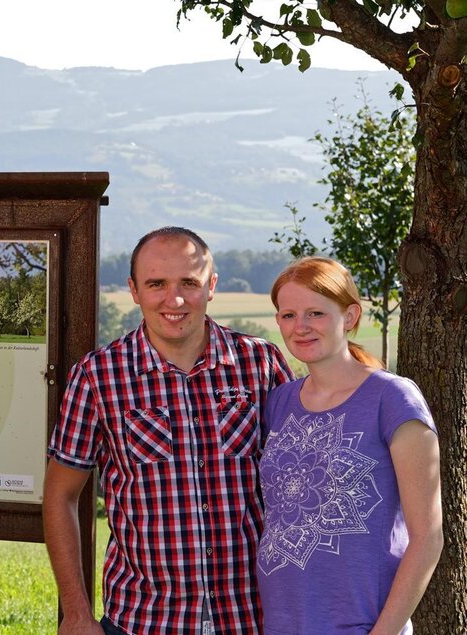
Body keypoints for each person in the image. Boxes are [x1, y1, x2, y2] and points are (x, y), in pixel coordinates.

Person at [43, 226, 294, 635]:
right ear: (134, 290)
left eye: (189, 283)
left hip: (255, 618)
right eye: (156, 283)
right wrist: (75, 613)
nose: (174, 300)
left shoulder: (260, 364)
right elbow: (60, 494)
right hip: (143, 620)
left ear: (211, 286)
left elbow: (302, 487)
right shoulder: (98, 376)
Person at [258, 256, 442, 634]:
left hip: (362, 625)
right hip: (282, 624)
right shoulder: (279, 403)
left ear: (351, 316)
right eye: (288, 315)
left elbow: (428, 537)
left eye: (316, 313)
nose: (301, 327)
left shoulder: (392, 399)